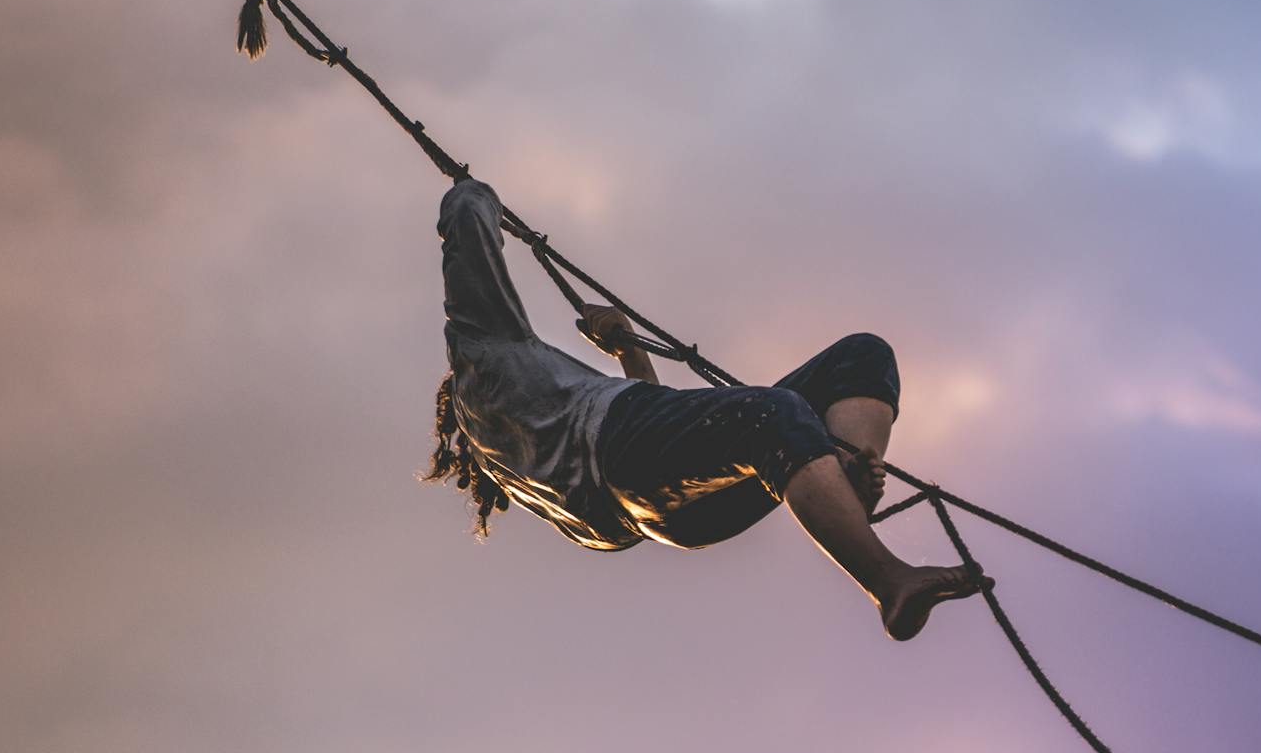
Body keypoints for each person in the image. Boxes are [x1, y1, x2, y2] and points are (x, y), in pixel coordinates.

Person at [423, 176, 988, 641]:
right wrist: (475, 190)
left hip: (665, 514)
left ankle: (841, 489)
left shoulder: (532, 469)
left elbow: (640, 454)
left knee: (847, 364)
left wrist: (627, 348)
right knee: (775, 412)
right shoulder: (480, 350)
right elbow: (468, 210)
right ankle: (887, 578)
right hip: (627, 450)